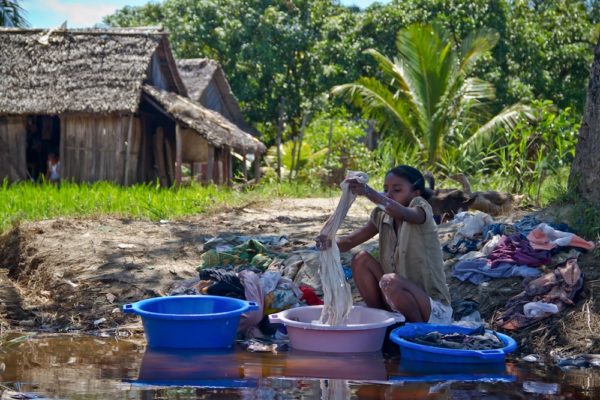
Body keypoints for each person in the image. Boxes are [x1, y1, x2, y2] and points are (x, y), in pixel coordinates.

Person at [316, 165, 452, 323]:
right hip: (394, 296)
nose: (389, 194)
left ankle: (417, 333)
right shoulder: (382, 215)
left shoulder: (420, 209)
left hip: (432, 309)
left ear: (415, 193)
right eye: (386, 189)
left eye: (397, 190)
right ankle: (382, 320)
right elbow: (349, 242)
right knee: (361, 260)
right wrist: (328, 242)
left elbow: (402, 212)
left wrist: (369, 192)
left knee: (390, 281)